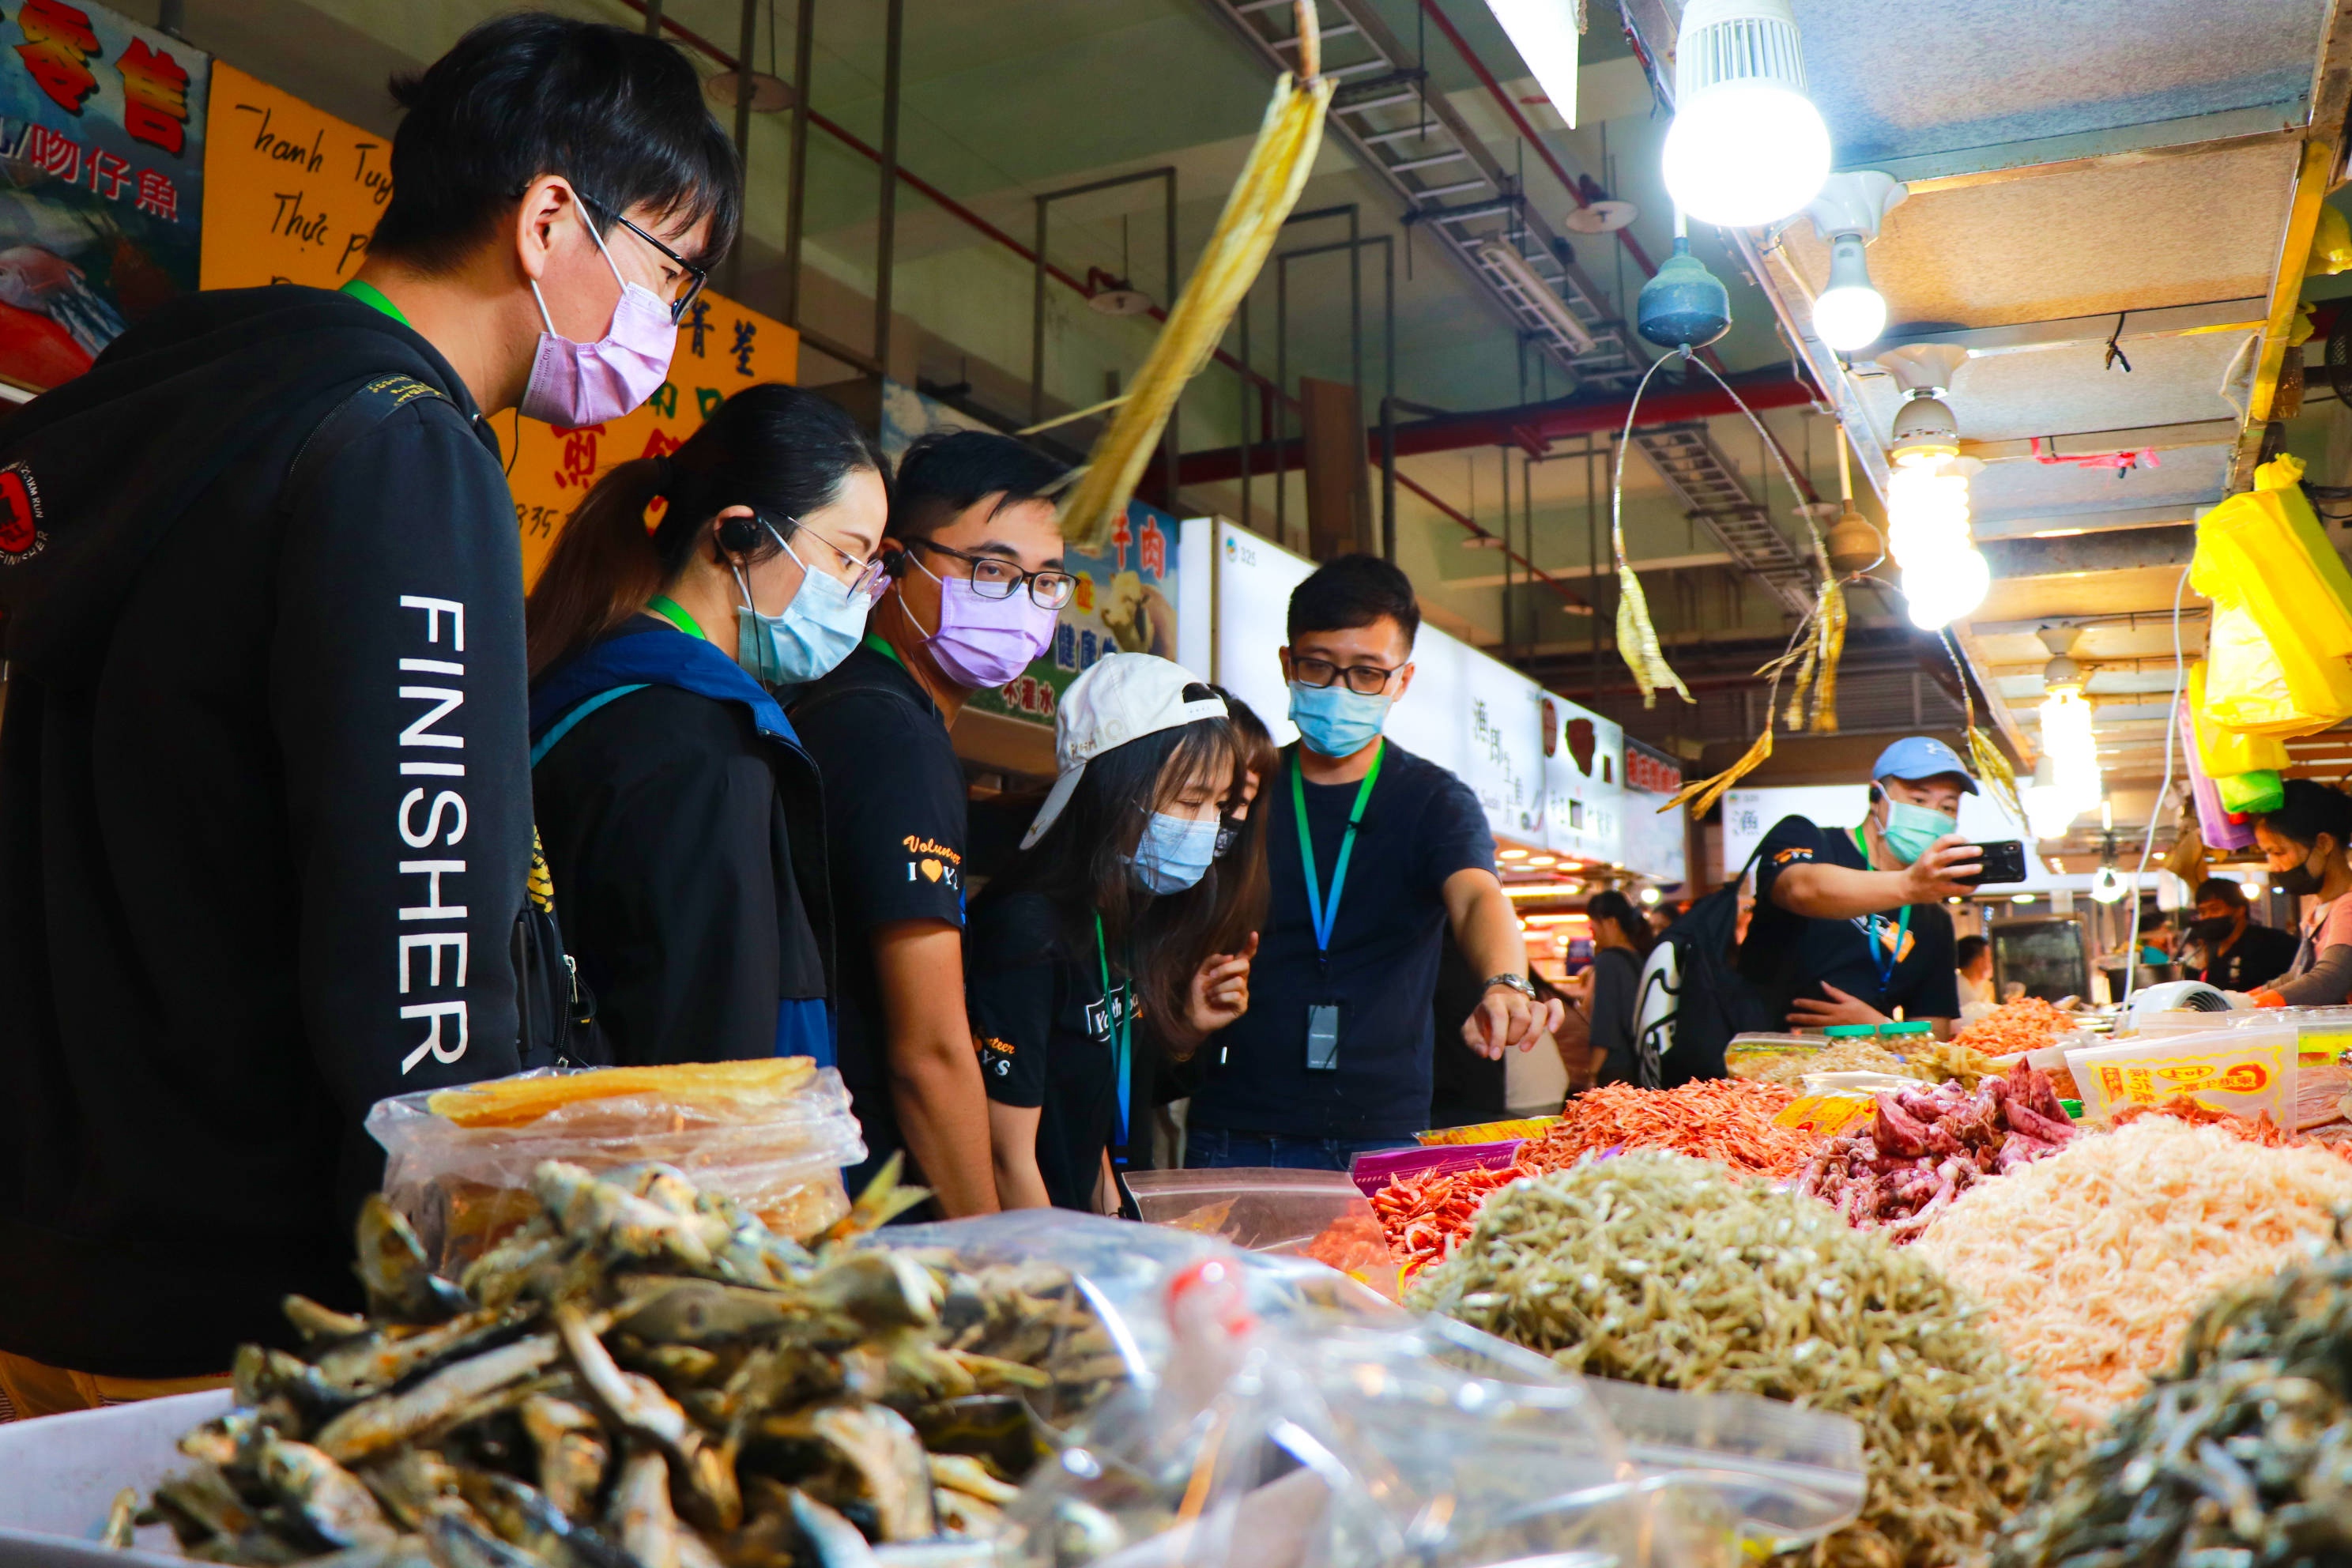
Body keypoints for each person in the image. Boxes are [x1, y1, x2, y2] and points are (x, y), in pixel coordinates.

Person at [0, 16, 733, 1412]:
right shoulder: (400, 445)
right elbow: (423, 932)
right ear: (549, 219)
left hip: (54, 1265)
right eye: (672, 274)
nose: (667, 329)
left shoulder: (184, 402)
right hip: (249, 1323)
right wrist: (453, 1303)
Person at [525, 387, 888, 1065]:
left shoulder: (596, 678)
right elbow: (712, 1058)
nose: (854, 592)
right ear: (737, 536)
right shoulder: (703, 745)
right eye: (846, 556)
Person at [1183, 555, 1565, 1170]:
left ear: (1402, 681)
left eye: (1367, 673)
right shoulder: (1246, 788)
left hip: (1383, 1127)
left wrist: (1505, 981)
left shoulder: (1433, 800)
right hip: (1238, 1119)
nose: (1341, 690)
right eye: (1319, 667)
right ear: (1288, 665)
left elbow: (1476, 896)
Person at [789, 431, 1072, 1218]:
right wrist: (991, 1248)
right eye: (990, 569)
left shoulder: (849, 701)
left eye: (1046, 581)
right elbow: (931, 1050)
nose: (1021, 601)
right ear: (894, 562)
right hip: (866, 1193)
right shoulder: (893, 736)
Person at [969, 656, 1257, 1212]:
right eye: (1191, 801)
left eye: (1219, 806)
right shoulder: (1025, 931)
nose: (1208, 826)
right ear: (1114, 791)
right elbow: (1007, 1159)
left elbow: (1097, 1108)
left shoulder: (1119, 914)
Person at [1739, 737, 1982, 1036]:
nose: (1933, 815)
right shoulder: (1808, 840)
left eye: (1948, 807)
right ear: (1875, 797)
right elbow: (1801, 889)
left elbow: (1936, 1035)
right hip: (1759, 1064)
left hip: (1866, 1078)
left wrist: (1878, 1028)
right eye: (1919, 801)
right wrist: (1909, 885)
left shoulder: (1936, 921)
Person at [2249, 781, 2352, 1008]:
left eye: (2278, 852)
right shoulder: (2319, 907)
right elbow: (2297, 975)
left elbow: (2330, 980)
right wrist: (2238, 1000)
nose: (2274, 866)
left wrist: (2250, 1007)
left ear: (2324, 843)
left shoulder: (2349, 906)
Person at [1583, 889, 1655, 1085]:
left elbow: (1605, 1022)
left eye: (1593, 928)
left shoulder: (1609, 960)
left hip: (1614, 1069)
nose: (1594, 935)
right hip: (1640, 1064)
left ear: (1611, 923)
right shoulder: (1640, 958)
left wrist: (1592, 1073)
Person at [2186, 876, 2298, 993]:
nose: (2208, 917)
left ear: (2239, 910)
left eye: (2215, 909)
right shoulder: (2210, 948)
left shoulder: (2275, 944)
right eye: (2203, 912)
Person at [1955, 935, 1996, 1007]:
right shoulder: (1959, 991)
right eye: (1989, 958)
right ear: (1979, 962)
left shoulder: (1983, 986)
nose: (1991, 963)